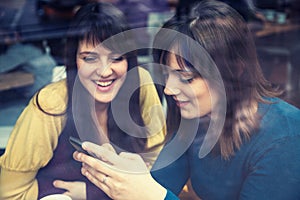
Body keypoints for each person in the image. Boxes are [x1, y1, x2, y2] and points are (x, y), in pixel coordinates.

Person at [73, 0, 300, 199]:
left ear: (234, 71)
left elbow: (156, 194)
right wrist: (126, 179)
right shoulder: (194, 121)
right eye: (166, 75)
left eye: (186, 78)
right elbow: (159, 184)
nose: (169, 89)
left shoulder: (285, 139)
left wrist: (154, 196)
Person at [0, 2, 166, 200]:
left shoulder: (141, 84)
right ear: (73, 61)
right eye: (90, 58)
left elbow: (155, 163)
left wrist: (92, 193)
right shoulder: (51, 105)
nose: (105, 71)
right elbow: (11, 194)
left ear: (129, 60)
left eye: (116, 58)